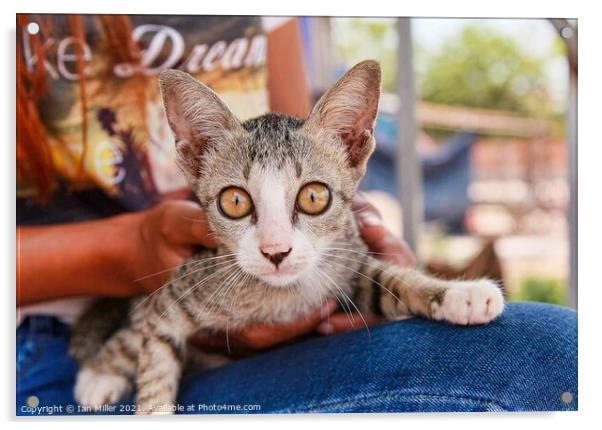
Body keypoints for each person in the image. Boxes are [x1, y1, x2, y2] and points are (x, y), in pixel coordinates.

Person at [16, 14, 577, 415]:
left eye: (308, 201)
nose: (277, 241)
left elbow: (296, 135)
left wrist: (383, 273)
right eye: (238, 203)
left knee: (560, 354)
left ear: (358, 146)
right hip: (44, 344)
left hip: (281, 331)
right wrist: (133, 246)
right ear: (193, 153)